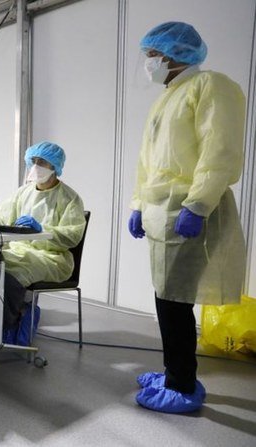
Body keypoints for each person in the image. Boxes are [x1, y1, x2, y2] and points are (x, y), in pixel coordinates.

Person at [128, 22, 246, 414]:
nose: (149, 63)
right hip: (162, 210)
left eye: (152, 55)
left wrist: (198, 204)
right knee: (166, 297)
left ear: (174, 53)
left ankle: (182, 384)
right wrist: (138, 203)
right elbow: (150, 163)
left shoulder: (211, 86)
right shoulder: (167, 97)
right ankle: (172, 370)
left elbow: (220, 149)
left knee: (176, 301)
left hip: (188, 208)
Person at [0, 141, 86, 345]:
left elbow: (73, 235)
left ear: (55, 167)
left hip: (52, 257)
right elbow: (3, 219)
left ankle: (7, 326)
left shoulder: (69, 198)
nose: (35, 166)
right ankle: (21, 311)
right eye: (33, 161)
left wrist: (43, 230)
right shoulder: (24, 192)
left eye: (42, 162)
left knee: (9, 275)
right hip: (19, 250)